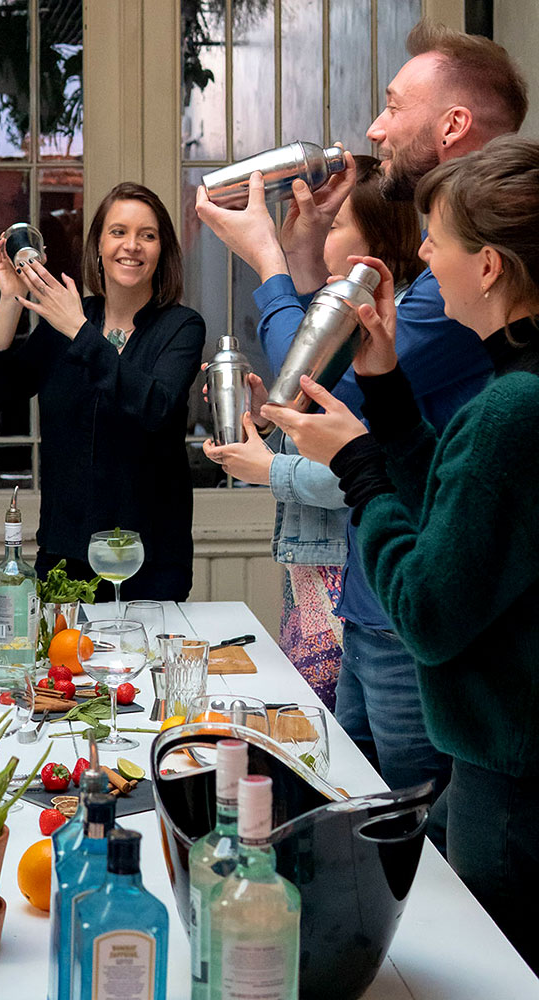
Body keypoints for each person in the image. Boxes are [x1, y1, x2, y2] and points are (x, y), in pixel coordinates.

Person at [193, 19, 527, 801]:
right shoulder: (461, 262)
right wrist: (307, 260)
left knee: (420, 849)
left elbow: (323, 391)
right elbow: (353, 380)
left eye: (391, 104)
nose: (374, 128)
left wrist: (273, 263)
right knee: (363, 811)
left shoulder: (477, 276)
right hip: (376, 597)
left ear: (451, 125)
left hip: (428, 624)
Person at [262, 134, 539, 974]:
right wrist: (382, 383)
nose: (420, 257)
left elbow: (425, 612)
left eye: (436, 240)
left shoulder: (509, 411)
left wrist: (353, 464)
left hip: (511, 783)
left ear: (486, 266)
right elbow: (451, 508)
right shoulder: (511, 393)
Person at [201, 156, 424, 710]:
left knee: (358, 774)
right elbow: (327, 426)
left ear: (368, 246)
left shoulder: (391, 327)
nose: (319, 226)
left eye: (336, 220)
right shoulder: (351, 314)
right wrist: (269, 421)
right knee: (339, 770)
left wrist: (270, 467)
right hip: (344, 586)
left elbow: (361, 459)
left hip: (362, 589)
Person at [0, 182, 205, 600]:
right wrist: (11, 299)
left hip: (148, 560)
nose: (131, 246)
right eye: (118, 232)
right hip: (65, 555)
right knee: (61, 666)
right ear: (98, 244)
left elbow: (156, 407)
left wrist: (79, 331)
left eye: (147, 235)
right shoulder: (69, 321)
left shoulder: (181, 327)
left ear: (161, 250)